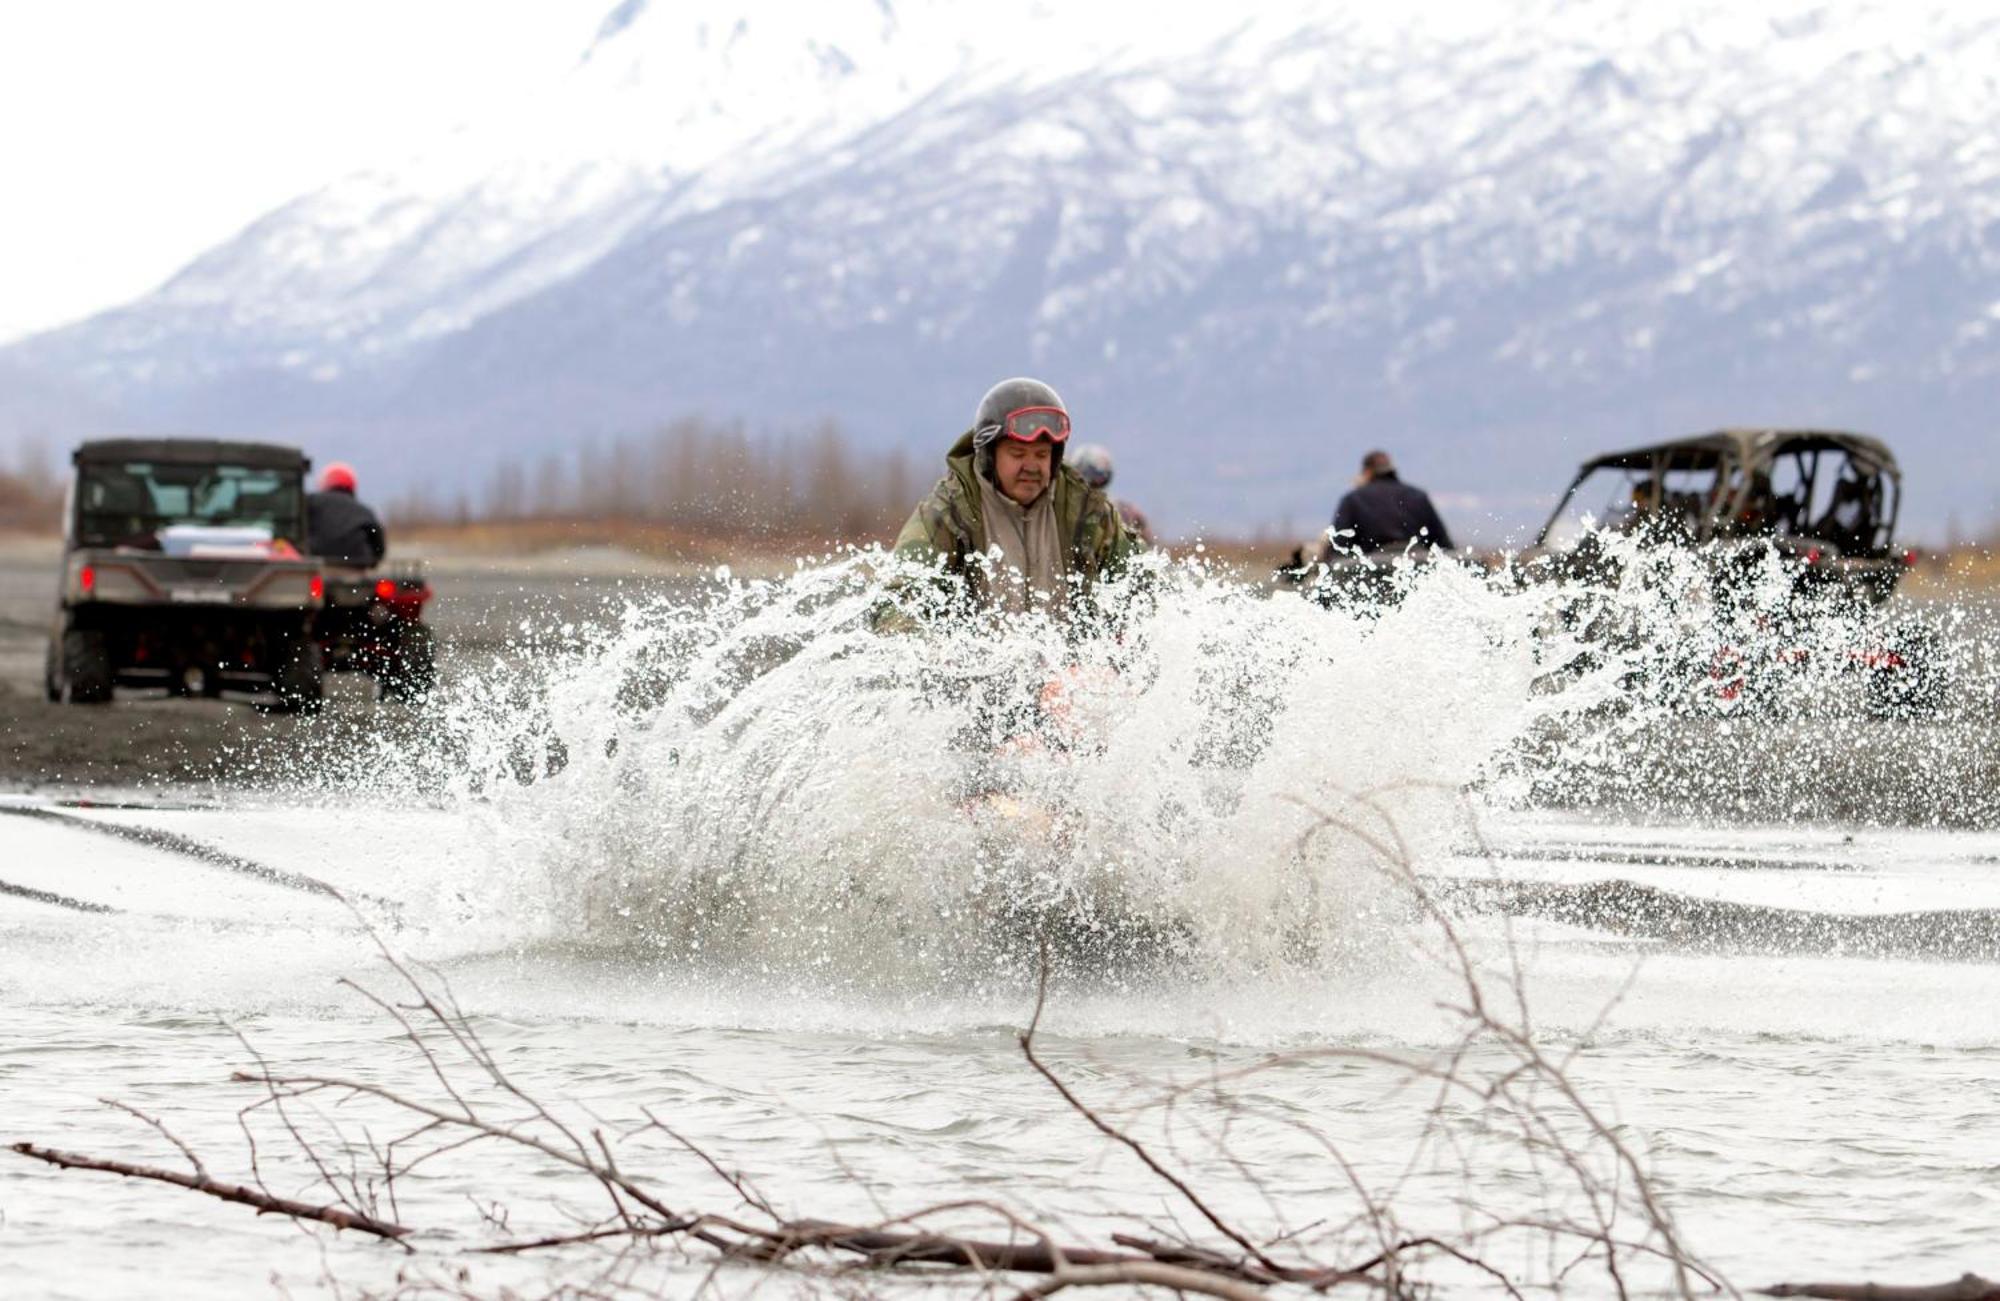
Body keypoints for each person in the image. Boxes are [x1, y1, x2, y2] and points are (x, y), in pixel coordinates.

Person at [889, 378, 1140, 618]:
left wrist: (1120, 640)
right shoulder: (949, 513)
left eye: (1042, 455)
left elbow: (1143, 585)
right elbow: (899, 600)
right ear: (988, 454)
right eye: (1018, 454)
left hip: (1076, 662)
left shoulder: (1087, 511)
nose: (1031, 467)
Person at [1327, 450, 1454, 555]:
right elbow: (1443, 544)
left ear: (1367, 472)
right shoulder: (1419, 496)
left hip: (1372, 574)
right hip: (1417, 567)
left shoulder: (1353, 499)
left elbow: (1339, 546)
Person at [1067, 443, 1155, 546]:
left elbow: (1148, 547)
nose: (1098, 481)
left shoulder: (1125, 512)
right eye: (1093, 475)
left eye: (1101, 477)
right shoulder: (1060, 509)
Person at [306, 461, 387, 567]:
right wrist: (373, 562)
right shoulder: (364, 510)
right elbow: (378, 546)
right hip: (357, 565)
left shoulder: (312, 501)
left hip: (317, 563)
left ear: (324, 483)